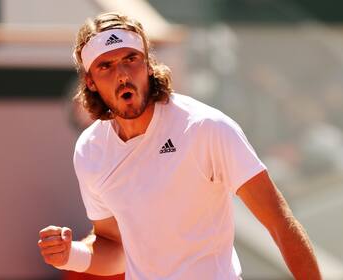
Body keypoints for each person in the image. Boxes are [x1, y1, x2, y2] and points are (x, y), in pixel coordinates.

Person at [37, 12, 321, 280]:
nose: (122, 74)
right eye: (106, 66)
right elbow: (115, 247)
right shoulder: (90, 150)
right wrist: (69, 254)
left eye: (130, 58)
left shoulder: (206, 127)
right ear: (91, 82)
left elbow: (280, 223)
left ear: (147, 64)